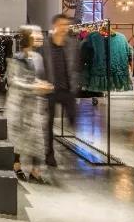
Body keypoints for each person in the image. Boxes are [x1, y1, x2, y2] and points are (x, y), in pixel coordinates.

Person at [5, 25, 52, 184]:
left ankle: (35, 171)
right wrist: (35, 87)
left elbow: (33, 78)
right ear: (27, 37)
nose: (39, 36)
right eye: (35, 33)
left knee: (36, 138)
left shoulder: (37, 57)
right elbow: (13, 81)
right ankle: (16, 166)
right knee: (19, 139)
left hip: (33, 105)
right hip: (19, 105)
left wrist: (40, 84)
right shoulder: (17, 58)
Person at [40, 14, 79, 166]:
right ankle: (49, 155)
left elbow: (75, 66)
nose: (65, 28)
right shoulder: (45, 45)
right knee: (48, 125)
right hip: (49, 90)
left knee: (73, 115)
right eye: (62, 24)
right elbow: (40, 66)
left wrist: (75, 84)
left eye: (67, 25)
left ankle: (72, 122)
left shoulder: (72, 44)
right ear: (54, 25)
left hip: (67, 89)